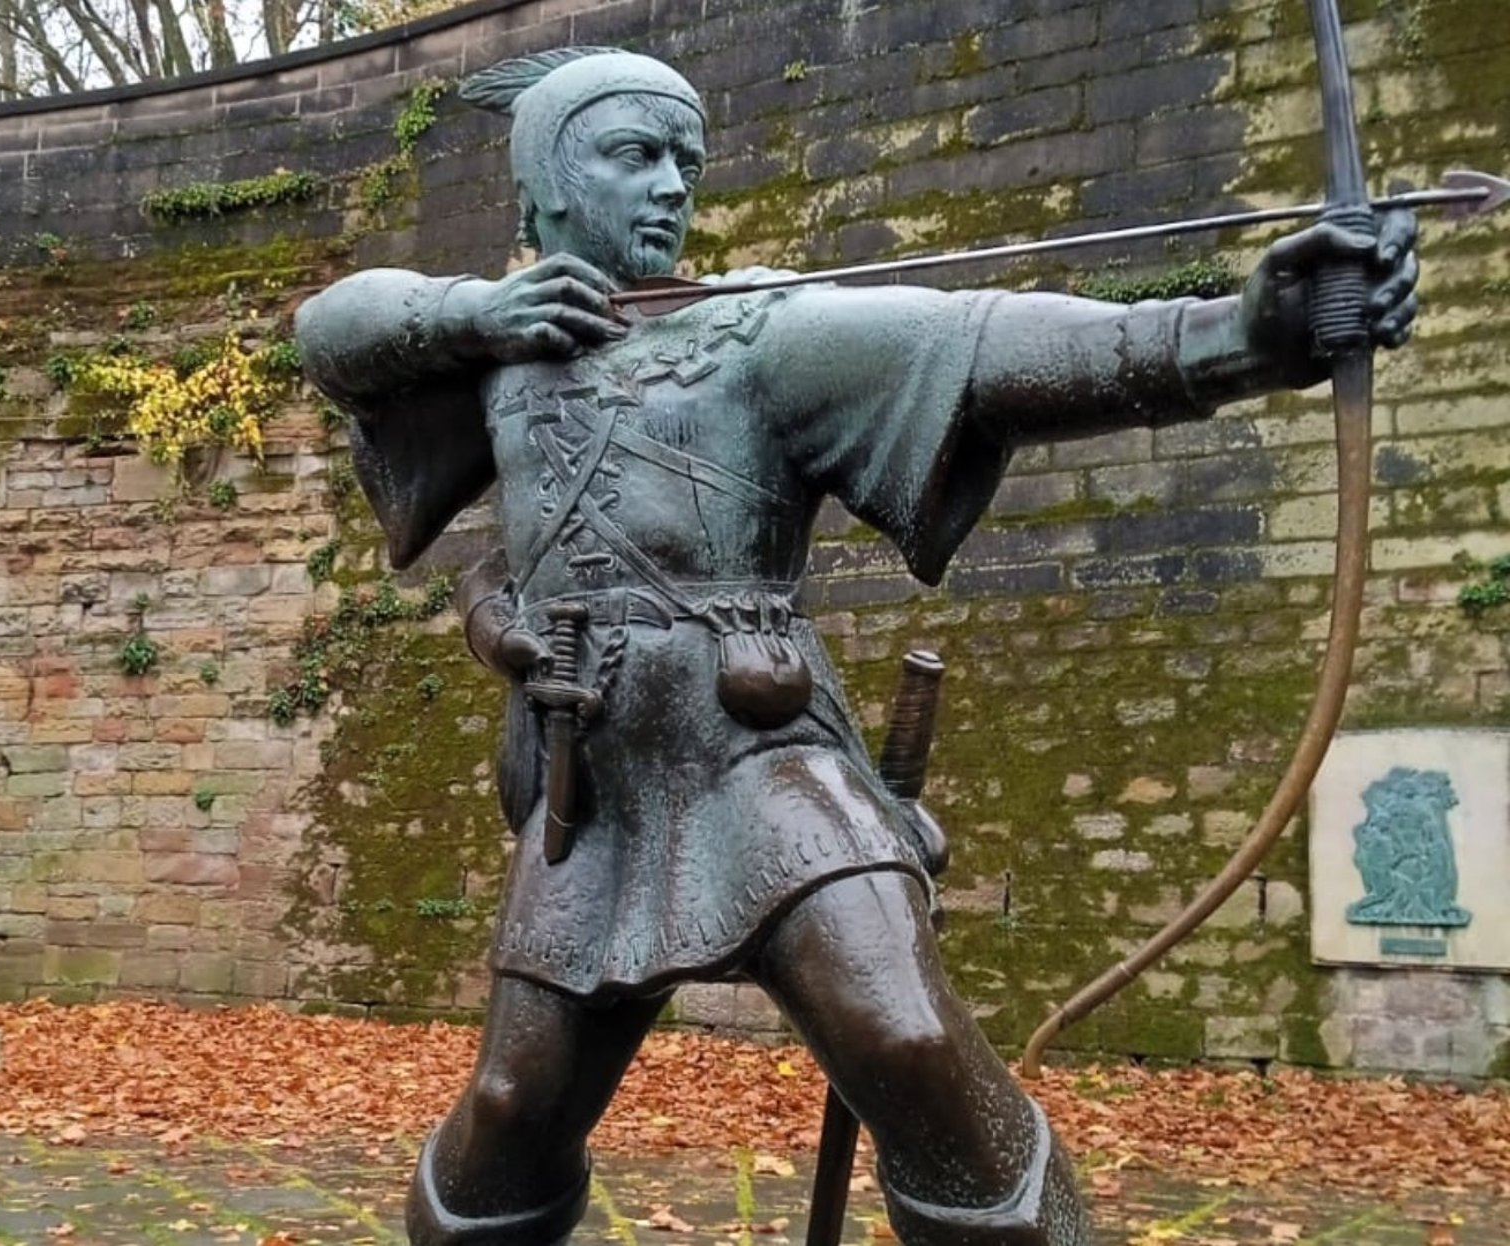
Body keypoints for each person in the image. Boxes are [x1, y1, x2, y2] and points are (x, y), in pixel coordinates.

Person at [294, 48, 1418, 1246]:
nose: (673, 186)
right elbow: (331, 330)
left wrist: (1242, 334)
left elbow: (984, 342)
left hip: (758, 754)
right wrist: (478, 322)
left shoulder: (757, 329)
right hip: (589, 777)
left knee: (909, 1039)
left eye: (687, 160)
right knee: (513, 1104)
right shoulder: (501, 356)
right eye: (634, 155)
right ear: (548, 187)